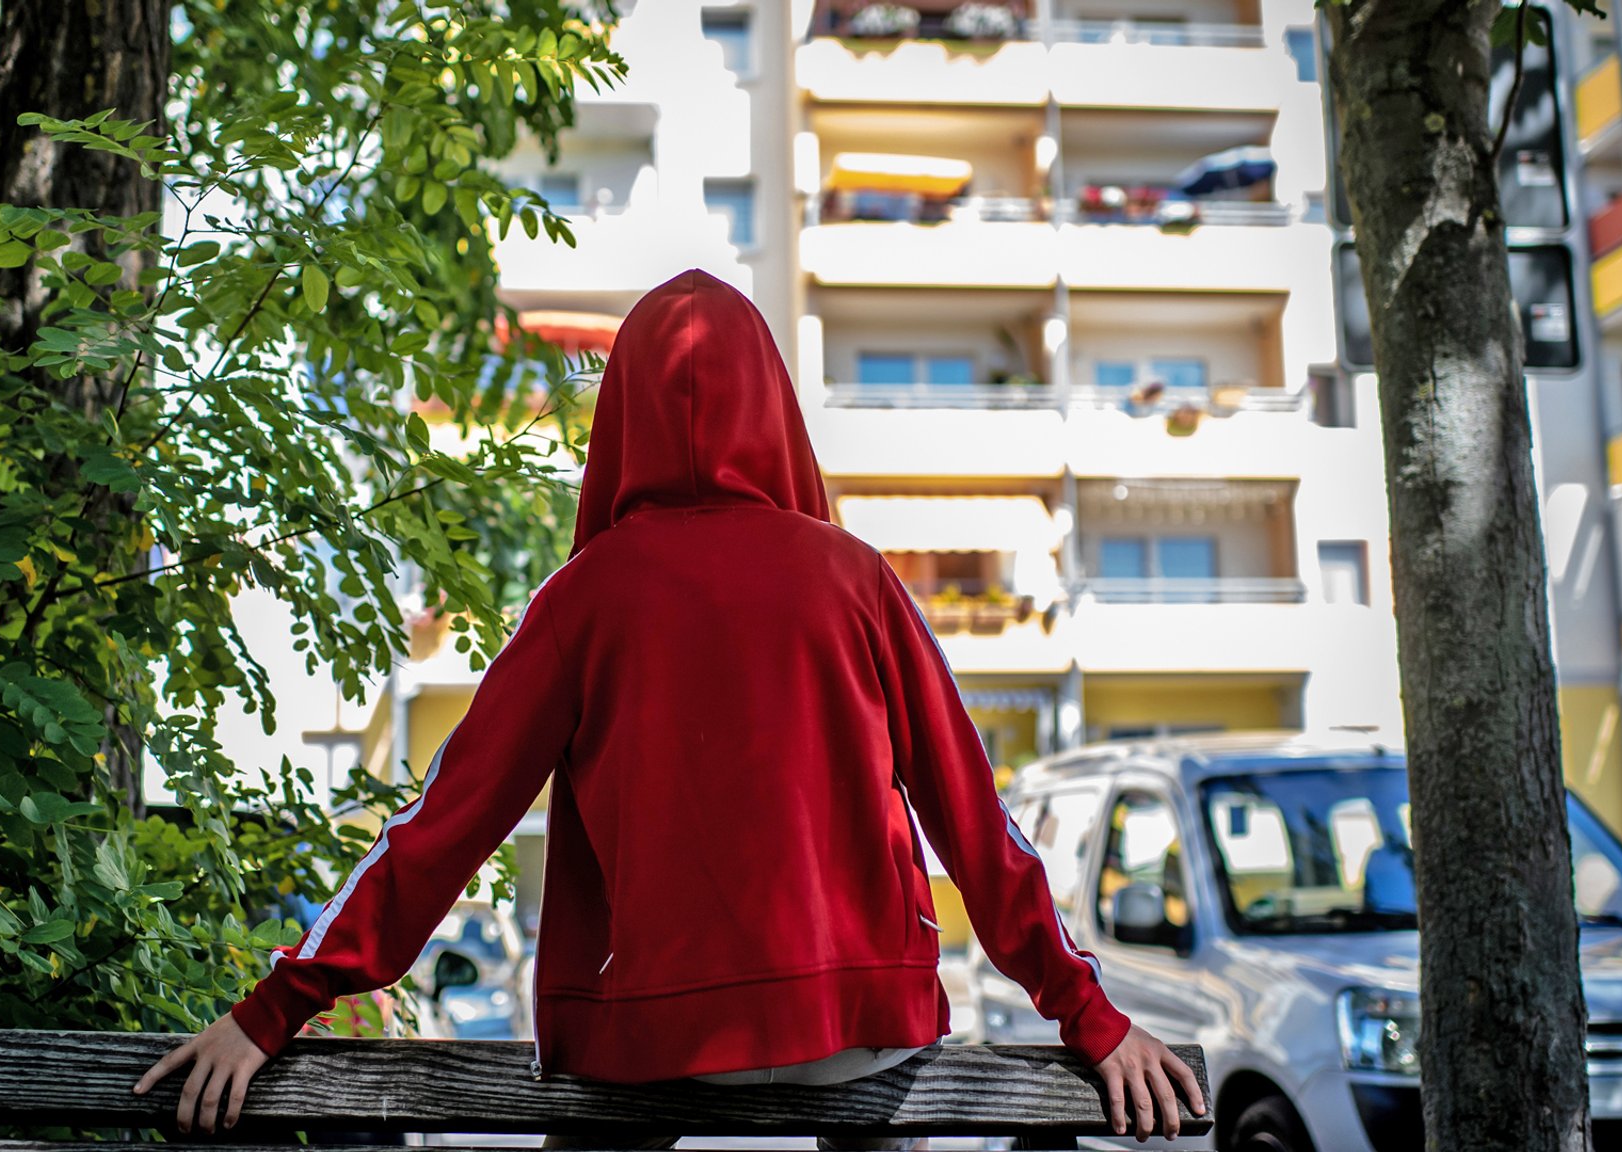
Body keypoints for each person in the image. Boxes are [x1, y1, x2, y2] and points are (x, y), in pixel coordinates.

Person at [135, 269, 1207, 1143]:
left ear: (622, 418)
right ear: (775, 406)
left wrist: (273, 1009)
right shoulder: (856, 580)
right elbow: (975, 822)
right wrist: (1091, 1017)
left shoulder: (584, 600)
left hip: (649, 1044)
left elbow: (439, 829)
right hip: (859, 1027)